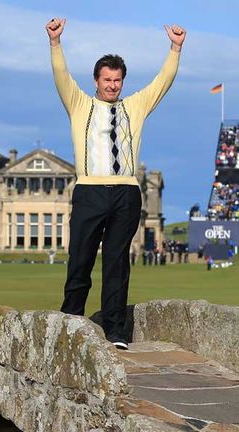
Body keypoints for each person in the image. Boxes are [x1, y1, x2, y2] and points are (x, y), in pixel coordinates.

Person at [47, 17, 185, 350]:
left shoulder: (134, 106)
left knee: (117, 262)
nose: (112, 85)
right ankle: (72, 322)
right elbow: (61, 76)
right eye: (107, 80)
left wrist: (175, 49)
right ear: (96, 80)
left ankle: (115, 331)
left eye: (117, 80)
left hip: (126, 192)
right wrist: (55, 43)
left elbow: (161, 83)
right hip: (89, 190)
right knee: (79, 259)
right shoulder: (80, 104)